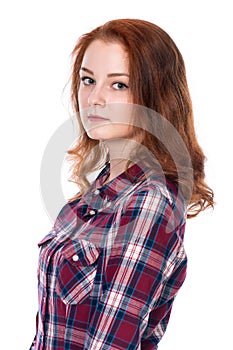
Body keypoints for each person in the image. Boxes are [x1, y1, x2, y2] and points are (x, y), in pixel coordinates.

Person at [30, 18, 214, 349]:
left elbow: (111, 343)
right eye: (88, 80)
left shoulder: (149, 202)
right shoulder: (95, 196)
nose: (94, 98)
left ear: (155, 95)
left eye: (119, 85)